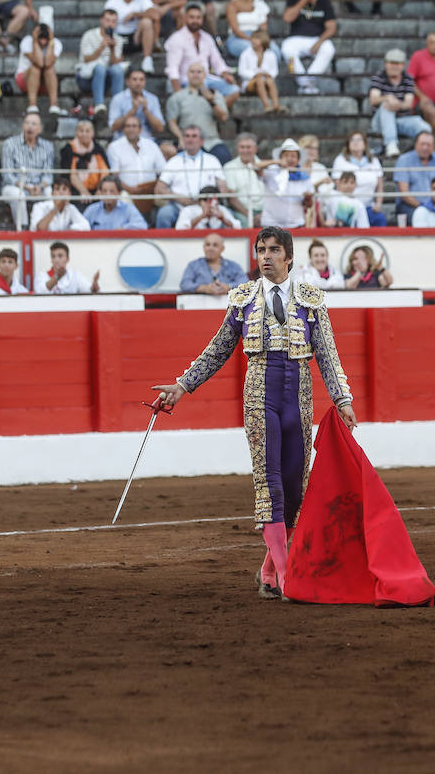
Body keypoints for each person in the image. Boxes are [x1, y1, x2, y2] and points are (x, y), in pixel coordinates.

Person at [152, 226, 356, 598]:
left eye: (273, 250)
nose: (265, 256)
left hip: (299, 397)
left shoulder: (312, 299)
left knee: (296, 488)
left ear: (288, 257)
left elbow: (327, 354)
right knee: (270, 482)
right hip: (260, 395)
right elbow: (217, 349)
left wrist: (342, 400)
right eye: (260, 249)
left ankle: (268, 570)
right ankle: (285, 573)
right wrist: (182, 386)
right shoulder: (242, 299)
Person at [156, 126, 235, 229]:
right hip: (180, 206)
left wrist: (213, 201)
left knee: (228, 214)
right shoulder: (174, 161)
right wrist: (179, 198)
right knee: (164, 214)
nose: (190, 139)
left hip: (208, 205)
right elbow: (159, 188)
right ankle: (164, 245)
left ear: (202, 141)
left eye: (194, 136)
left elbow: (222, 186)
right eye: (187, 136)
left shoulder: (212, 160)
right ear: (183, 140)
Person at [281, 0, 337, 95]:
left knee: (329, 49)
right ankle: (304, 83)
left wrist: (319, 42)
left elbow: (331, 28)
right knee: (286, 50)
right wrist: (304, 0)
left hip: (317, 39)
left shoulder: (324, 2)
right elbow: (287, 18)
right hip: (295, 39)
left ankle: (310, 80)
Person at [368, 48, 429, 159]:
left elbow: (408, 104)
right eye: (391, 62)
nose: (394, 66)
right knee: (386, 106)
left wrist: (397, 105)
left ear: (402, 65)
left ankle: (415, 152)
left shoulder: (408, 79)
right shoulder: (378, 77)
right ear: (386, 64)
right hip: (380, 122)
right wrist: (388, 98)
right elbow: (373, 99)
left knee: (425, 128)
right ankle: (391, 144)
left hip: (401, 120)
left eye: (397, 63)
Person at [166, 62, 232, 162]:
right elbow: (172, 122)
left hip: (211, 141)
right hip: (188, 141)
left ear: (205, 75)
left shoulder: (215, 95)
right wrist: (180, 138)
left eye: (199, 72)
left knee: (224, 156)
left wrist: (211, 101)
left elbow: (223, 118)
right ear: (187, 74)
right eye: (192, 72)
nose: (195, 74)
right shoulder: (177, 97)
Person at [103, 0, 159, 75]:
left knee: (147, 22)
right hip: (117, 38)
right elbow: (106, 25)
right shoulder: (112, 2)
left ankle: (147, 59)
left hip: (136, 37)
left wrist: (135, 14)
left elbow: (155, 15)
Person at [78, 8, 125, 118]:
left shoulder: (118, 39)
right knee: (100, 68)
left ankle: (117, 106)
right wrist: (101, 47)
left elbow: (114, 63)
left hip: (106, 80)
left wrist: (112, 49)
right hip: (87, 78)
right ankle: (99, 104)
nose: (110, 24)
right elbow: (86, 59)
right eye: (108, 20)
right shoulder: (89, 35)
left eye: (113, 21)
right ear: (101, 20)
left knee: (118, 70)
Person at [16, 22, 65, 115]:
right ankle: (32, 104)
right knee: (36, 68)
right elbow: (39, 62)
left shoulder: (56, 43)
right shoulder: (27, 41)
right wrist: (35, 42)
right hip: (25, 80)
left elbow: (47, 63)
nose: (43, 42)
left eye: (45, 38)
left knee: (49, 69)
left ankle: (54, 105)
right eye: (40, 38)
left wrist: (51, 43)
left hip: (46, 83)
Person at [181, 231, 247, 294]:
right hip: (199, 304)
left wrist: (229, 287)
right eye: (208, 245)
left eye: (215, 245)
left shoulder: (233, 266)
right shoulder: (193, 265)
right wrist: (204, 288)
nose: (210, 248)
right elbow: (184, 284)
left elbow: (245, 283)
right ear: (204, 247)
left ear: (222, 248)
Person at [238, 31, 284, 115]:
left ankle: (276, 106)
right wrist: (255, 75)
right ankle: (267, 106)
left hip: (266, 81)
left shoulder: (271, 54)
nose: (253, 41)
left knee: (270, 81)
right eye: (253, 38)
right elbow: (241, 71)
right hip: (250, 83)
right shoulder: (245, 54)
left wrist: (267, 74)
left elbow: (274, 71)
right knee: (259, 80)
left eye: (257, 38)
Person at [83, 174, 148, 229]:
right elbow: (81, 227)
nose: (108, 194)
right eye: (104, 191)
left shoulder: (128, 209)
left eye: (112, 191)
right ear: (100, 193)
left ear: (119, 193)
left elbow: (142, 226)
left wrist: (124, 229)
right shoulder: (92, 210)